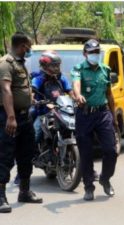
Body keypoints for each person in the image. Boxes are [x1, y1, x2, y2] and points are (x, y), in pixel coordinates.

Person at [0, 32, 43, 213]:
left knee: (27, 154)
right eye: (28, 46)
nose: (29, 50)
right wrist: (11, 117)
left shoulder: (20, 64)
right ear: (21, 45)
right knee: (5, 156)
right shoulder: (5, 64)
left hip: (25, 116)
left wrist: (30, 99)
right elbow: (6, 90)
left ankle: (24, 191)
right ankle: (1, 197)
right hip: (10, 116)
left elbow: (22, 89)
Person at [71, 39, 118, 201]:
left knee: (111, 150)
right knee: (86, 153)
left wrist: (113, 117)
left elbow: (109, 95)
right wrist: (78, 96)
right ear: (85, 54)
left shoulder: (105, 70)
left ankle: (105, 178)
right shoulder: (78, 69)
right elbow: (75, 85)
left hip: (103, 113)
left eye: (97, 52)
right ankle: (88, 187)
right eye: (91, 52)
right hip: (84, 115)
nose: (94, 55)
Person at [31, 50, 75, 145]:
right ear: (45, 66)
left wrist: (76, 99)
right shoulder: (38, 79)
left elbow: (70, 92)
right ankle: (31, 156)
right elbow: (32, 91)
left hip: (61, 113)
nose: (57, 68)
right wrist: (32, 99)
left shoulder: (61, 78)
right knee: (34, 136)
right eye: (54, 65)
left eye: (58, 65)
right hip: (44, 115)